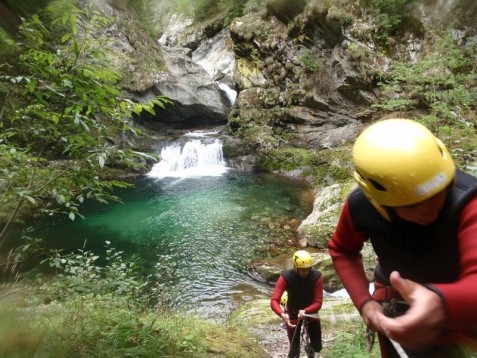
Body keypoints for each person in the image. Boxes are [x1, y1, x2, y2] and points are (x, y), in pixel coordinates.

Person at [328, 118, 477, 357]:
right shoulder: (361, 207)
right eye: (413, 205)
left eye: (439, 194)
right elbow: (342, 250)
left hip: (462, 317)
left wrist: (440, 303)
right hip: (396, 311)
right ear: (379, 202)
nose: (431, 209)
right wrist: (364, 303)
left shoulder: (470, 204)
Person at [271, 250, 323, 358]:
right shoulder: (286, 277)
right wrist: (282, 314)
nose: (305, 272)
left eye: (308, 269)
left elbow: (318, 302)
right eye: (302, 269)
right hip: (293, 313)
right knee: (294, 349)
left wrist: (306, 311)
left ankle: (312, 353)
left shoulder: (317, 276)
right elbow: (274, 300)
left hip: (311, 313)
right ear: (295, 267)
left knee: (317, 346)